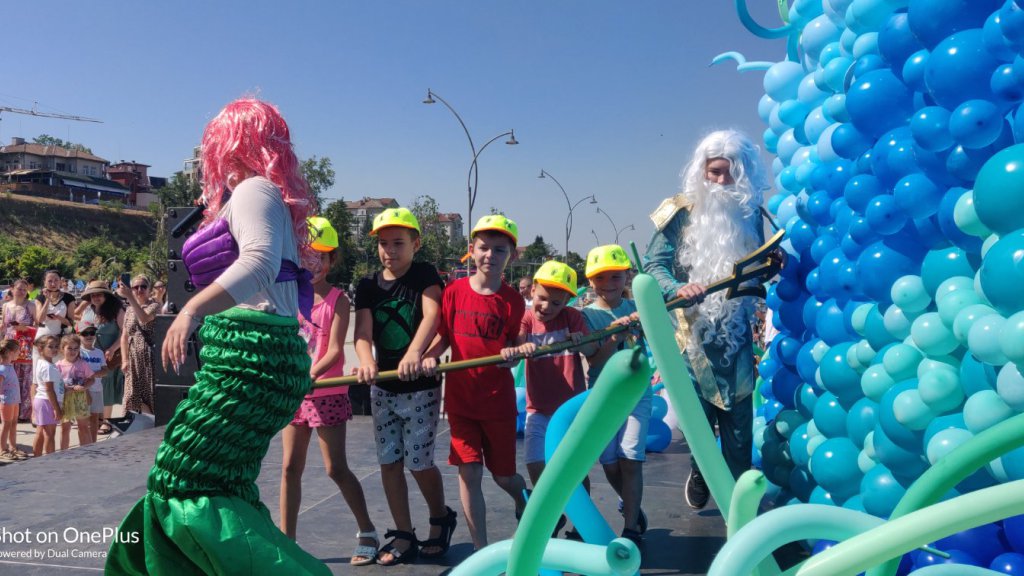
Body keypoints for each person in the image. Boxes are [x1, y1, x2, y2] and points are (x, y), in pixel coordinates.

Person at [106, 98, 331, 575]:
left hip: (252, 357)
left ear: (231, 142)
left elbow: (260, 263)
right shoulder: (255, 196)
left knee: (182, 480)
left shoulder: (255, 189)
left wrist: (191, 308)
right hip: (253, 355)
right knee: (220, 485)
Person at [643, 129, 768, 510]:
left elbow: (758, 263)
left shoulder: (749, 213)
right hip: (692, 338)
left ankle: (740, 513)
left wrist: (769, 268)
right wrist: (677, 289)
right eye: (714, 172)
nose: (720, 180)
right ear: (701, 170)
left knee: (739, 430)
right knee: (700, 419)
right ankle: (699, 468)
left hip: (736, 337)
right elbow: (654, 265)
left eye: (729, 173)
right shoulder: (679, 212)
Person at [353, 207, 454, 565]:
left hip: (421, 385)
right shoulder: (366, 285)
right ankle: (403, 532)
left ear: (416, 243)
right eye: (383, 244)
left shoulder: (424, 274)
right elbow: (363, 334)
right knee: (389, 462)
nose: (389, 251)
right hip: (385, 388)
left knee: (418, 460)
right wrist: (366, 361)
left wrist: (415, 352)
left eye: (398, 243)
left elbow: (432, 316)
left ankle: (441, 517)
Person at [422, 214, 528, 551]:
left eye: (499, 250)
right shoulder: (453, 292)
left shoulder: (513, 301)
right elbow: (443, 336)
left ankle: (523, 497)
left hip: (497, 403)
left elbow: (516, 343)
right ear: (472, 250)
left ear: (511, 255)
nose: (490, 256)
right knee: (469, 474)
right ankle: (479, 549)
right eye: (483, 248)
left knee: (503, 477)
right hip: (461, 403)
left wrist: (515, 353)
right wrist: (431, 355)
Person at [280, 216, 378, 566]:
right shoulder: (288, 295)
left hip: (326, 394)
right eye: (306, 256)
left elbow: (335, 350)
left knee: (336, 468)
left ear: (331, 260)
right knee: (290, 467)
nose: (313, 264)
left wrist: (307, 375)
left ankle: (367, 530)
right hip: (295, 394)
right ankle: (287, 542)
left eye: (320, 256)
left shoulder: (338, 299)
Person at [509, 260, 593, 538]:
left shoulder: (571, 317)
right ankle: (552, 512)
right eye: (542, 298)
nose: (547, 307)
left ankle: (583, 521)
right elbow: (516, 341)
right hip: (538, 408)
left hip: (569, 410)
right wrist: (521, 346)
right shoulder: (527, 319)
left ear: (567, 301)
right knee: (534, 461)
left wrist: (580, 339)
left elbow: (591, 346)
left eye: (556, 303)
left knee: (575, 469)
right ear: (532, 290)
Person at [581, 244, 650, 542]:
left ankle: (631, 526)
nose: (608, 285)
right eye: (601, 278)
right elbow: (593, 359)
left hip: (637, 390)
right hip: (602, 394)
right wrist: (613, 334)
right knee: (609, 462)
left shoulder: (638, 308)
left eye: (615, 277)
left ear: (627, 278)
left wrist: (640, 327)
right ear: (590, 281)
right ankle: (631, 503)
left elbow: (655, 338)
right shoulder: (585, 316)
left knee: (631, 457)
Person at [76, 280, 124, 435]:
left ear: (106, 296)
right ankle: (93, 418)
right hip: (89, 355)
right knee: (89, 385)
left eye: (99, 294)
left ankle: (106, 421)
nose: (96, 297)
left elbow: (125, 332)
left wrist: (113, 348)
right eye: (93, 295)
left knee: (106, 387)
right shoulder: (88, 310)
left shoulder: (116, 310)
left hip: (109, 356)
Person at [117, 275, 160, 414]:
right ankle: (136, 426)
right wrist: (124, 360)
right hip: (132, 357)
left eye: (143, 287)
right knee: (131, 397)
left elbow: (144, 318)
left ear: (149, 289)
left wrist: (129, 297)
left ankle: (151, 425)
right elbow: (124, 336)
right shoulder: (129, 310)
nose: (139, 290)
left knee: (149, 395)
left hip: (148, 358)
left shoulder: (154, 306)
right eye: (135, 287)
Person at [1, 279, 37, 422]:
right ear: (12, 289)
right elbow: (4, 326)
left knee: (25, 379)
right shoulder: (6, 306)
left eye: (24, 289)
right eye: (19, 288)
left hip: (24, 346)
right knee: (8, 377)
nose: (22, 291)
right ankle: (7, 410)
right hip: (8, 346)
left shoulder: (31, 305)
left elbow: (38, 327)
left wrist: (25, 328)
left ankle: (24, 413)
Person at [56, 334, 93, 449]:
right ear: (62, 349)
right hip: (65, 399)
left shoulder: (83, 364)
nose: (73, 351)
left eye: (76, 348)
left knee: (83, 426)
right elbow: (55, 384)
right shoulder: (58, 366)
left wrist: (84, 387)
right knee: (65, 427)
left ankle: (87, 451)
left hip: (80, 399)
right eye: (69, 348)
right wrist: (64, 389)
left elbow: (91, 379)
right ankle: (64, 453)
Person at [31, 335, 63, 456]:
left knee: (41, 431)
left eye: (56, 346)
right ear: (40, 349)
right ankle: (50, 460)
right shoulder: (47, 366)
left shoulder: (43, 363)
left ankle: (36, 457)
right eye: (50, 347)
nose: (54, 349)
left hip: (43, 400)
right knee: (50, 433)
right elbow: (49, 389)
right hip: (47, 401)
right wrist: (57, 408)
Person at [78, 326, 108, 444]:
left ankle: (93, 444)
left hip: (97, 389)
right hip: (82, 390)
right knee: (83, 421)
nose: (89, 336)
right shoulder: (78, 351)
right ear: (79, 336)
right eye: (85, 333)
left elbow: (105, 370)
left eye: (92, 333)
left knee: (95, 418)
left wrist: (93, 375)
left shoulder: (99, 352)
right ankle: (83, 445)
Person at [0, 339, 25, 460]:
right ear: (10, 352)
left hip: (15, 400)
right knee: (6, 424)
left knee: (14, 424)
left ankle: (13, 447)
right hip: (7, 401)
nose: (19, 353)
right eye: (17, 351)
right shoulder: (2, 369)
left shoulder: (10, 366)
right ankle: (2, 449)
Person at [34, 270, 75, 338]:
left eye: (56, 280)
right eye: (50, 281)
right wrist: (48, 299)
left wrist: (59, 318)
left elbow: (71, 323)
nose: (53, 284)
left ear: (60, 282)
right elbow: (39, 321)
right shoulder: (40, 298)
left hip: (61, 336)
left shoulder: (69, 298)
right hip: (43, 337)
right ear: (45, 283)